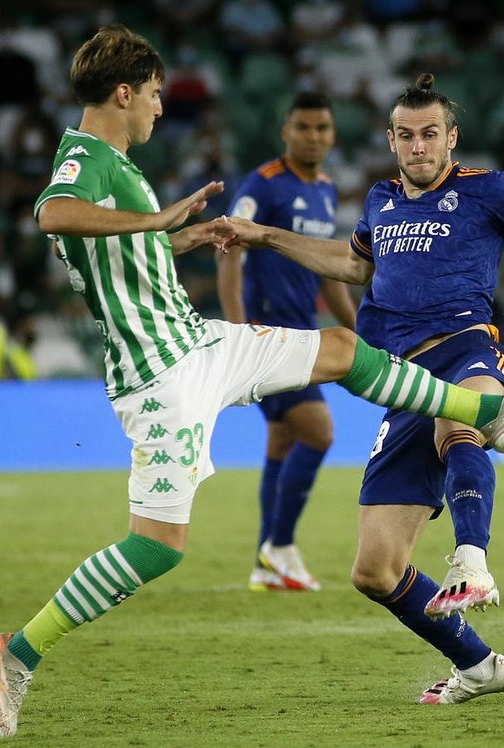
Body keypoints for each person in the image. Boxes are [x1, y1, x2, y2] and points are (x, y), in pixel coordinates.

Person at [0, 26, 504, 738]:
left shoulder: (109, 160)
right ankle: (15, 652)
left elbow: (110, 251)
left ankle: (491, 413)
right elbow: (53, 214)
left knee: (339, 347)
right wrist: (159, 217)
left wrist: (178, 238)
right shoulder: (87, 158)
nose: (158, 109)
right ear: (122, 93)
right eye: (151, 95)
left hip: (198, 340)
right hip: (162, 376)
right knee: (156, 548)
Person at [220, 73, 504, 704]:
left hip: (469, 346)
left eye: (430, 134)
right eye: (405, 136)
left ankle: (471, 558)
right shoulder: (380, 200)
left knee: (456, 419)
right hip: (401, 380)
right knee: (375, 571)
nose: (417, 147)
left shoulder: (489, 191)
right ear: (392, 140)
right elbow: (352, 266)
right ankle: (481, 666)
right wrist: (263, 235)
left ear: (451, 137)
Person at [216, 91, 356, 592]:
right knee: (318, 432)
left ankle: (265, 561)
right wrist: (237, 330)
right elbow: (227, 250)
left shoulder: (327, 190)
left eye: (322, 128)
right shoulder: (264, 184)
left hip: (304, 332)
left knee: (283, 440)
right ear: (286, 132)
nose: (314, 136)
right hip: (268, 335)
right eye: (304, 127)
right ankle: (279, 544)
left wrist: (359, 329)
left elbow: (329, 272)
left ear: (332, 134)